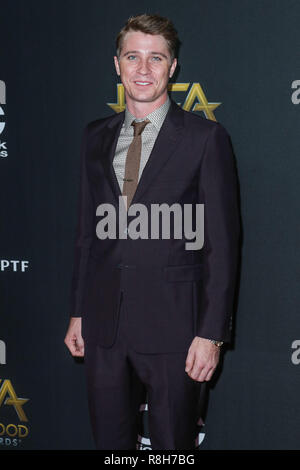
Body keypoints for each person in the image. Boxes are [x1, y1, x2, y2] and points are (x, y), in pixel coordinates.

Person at [64, 13, 240, 450]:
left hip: (175, 327)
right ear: (117, 65)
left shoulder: (205, 139)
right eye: (133, 57)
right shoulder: (94, 137)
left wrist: (211, 333)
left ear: (172, 67)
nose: (143, 69)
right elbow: (88, 234)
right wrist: (78, 311)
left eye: (155, 58)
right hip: (103, 326)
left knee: (172, 449)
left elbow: (222, 245)